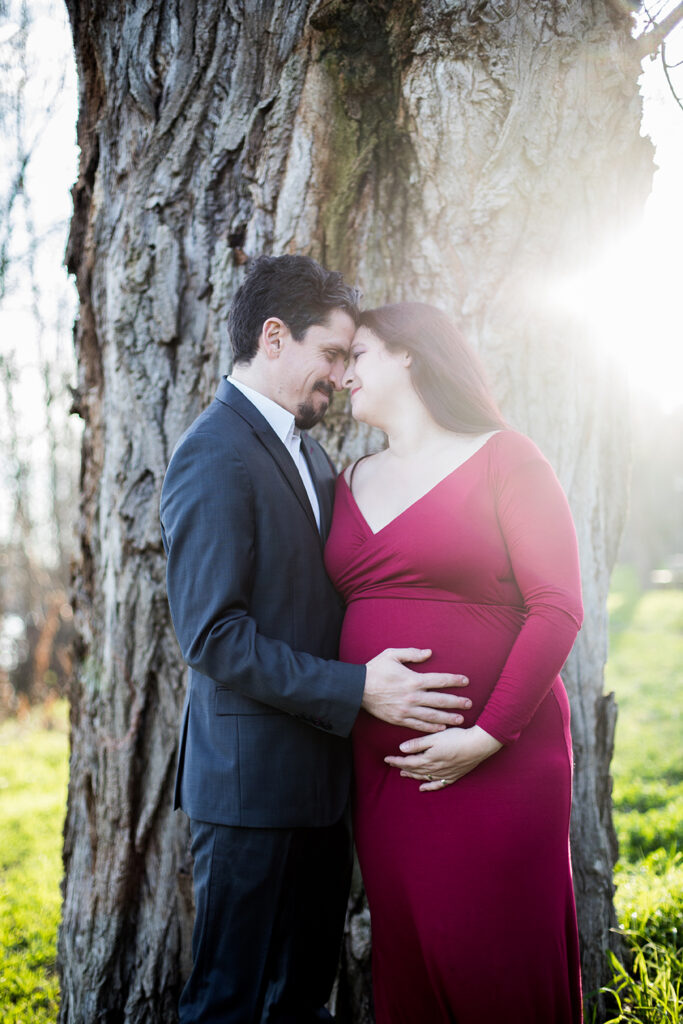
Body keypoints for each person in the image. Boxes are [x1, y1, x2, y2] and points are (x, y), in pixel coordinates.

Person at [160, 257, 471, 1024]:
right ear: (274, 337)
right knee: (227, 1002)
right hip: (248, 792)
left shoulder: (311, 452)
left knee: (302, 998)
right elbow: (213, 636)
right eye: (331, 354)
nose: (341, 375)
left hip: (320, 788)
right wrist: (356, 687)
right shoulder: (213, 452)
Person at [324, 301, 584, 1024]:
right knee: (411, 968)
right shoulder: (347, 478)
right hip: (388, 778)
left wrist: (483, 735)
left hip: (499, 762)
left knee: (494, 969)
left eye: (360, 355)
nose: (345, 376)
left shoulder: (506, 456)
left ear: (408, 354)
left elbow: (557, 606)